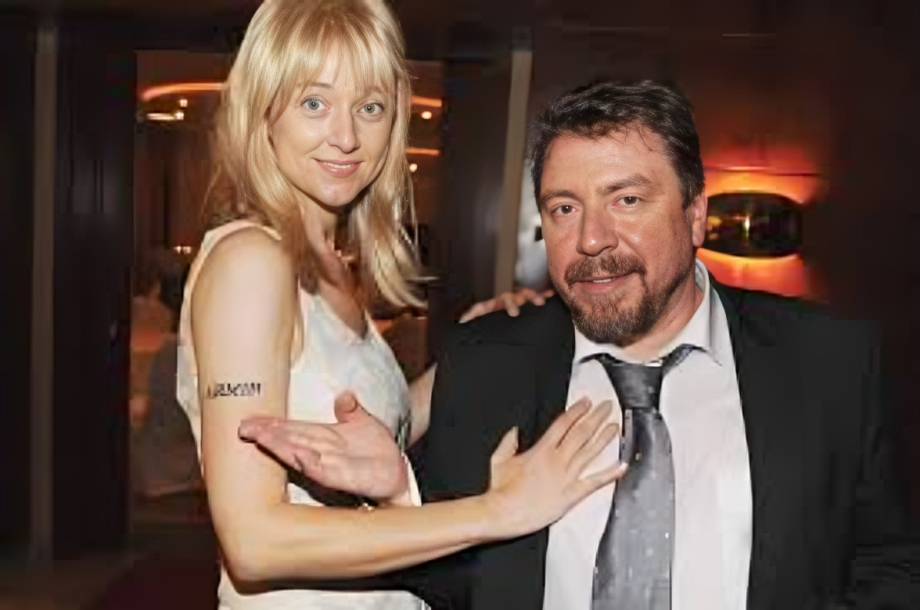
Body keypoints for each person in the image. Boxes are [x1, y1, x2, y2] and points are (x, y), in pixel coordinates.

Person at [242, 80, 920, 609]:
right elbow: (460, 587)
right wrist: (400, 494)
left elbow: (891, 565)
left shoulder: (830, 363)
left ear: (694, 215)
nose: (591, 239)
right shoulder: (487, 364)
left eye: (626, 200)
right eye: (565, 209)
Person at [177, 1, 624, 609]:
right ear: (264, 110)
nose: (346, 137)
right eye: (314, 103)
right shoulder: (251, 260)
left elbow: (364, 426)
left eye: (370, 108)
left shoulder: (329, 263)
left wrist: (472, 351)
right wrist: (498, 510)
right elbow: (254, 541)